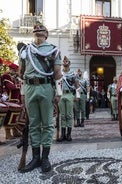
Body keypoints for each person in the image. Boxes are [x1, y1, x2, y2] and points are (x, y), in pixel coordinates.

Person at [18, 22, 62, 173]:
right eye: (36, 31)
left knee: (48, 124)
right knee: (34, 124)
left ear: (46, 34)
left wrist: (59, 92)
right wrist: (23, 94)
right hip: (30, 87)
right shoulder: (25, 50)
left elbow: (57, 73)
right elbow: (21, 73)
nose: (38, 33)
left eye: (41, 31)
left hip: (45, 87)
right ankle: (35, 158)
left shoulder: (53, 50)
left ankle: (45, 158)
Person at [57, 56, 79, 142]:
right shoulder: (59, 73)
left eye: (67, 61)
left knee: (69, 115)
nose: (65, 62)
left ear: (69, 63)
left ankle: (69, 134)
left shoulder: (73, 74)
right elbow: (57, 84)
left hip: (69, 94)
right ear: (62, 63)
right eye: (64, 61)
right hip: (61, 94)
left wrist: (77, 96)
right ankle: (63, 134)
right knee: (62, 115)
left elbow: (77, 85)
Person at [1, 63, 22, 139]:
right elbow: (11, 87)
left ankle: (15, 131)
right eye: (15, 70)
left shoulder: (14, 77)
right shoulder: (6, 76)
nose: (16, 72)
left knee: (15, 117)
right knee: (9, 117)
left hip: (16, 99)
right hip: (9, 99)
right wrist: (20, 85)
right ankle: (8, 133)